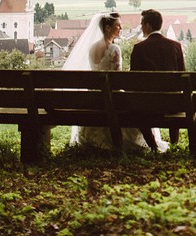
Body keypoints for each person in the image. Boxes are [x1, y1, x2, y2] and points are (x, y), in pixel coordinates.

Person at [63, 12, 156, 152]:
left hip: (94, 98)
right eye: (118, 26)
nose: (120, 29)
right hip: (112, 98)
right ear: (107, 28)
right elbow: (117, 78)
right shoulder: (114, 49)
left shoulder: (92, 48)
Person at [130, 8, 186, 148]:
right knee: (173, 98)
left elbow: (133, 81)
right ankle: (174, 144)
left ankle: (153, 146)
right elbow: (182, 77)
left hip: (148, 105)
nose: (141, 27)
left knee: (137, 114)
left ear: (148, 25)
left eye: (142, 24)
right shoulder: (176, 46)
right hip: (173, 104)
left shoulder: (139, 48)